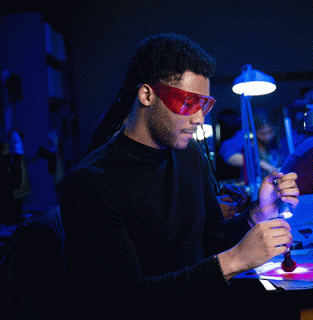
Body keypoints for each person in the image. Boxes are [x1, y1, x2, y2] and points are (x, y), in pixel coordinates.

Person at [59, 33, 299, 318]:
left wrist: (257, 215)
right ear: (147, 95)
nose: (199, 118)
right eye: (187, 102)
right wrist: (235, 260)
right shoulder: (92, 182)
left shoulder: (187, 153)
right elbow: (125, 300)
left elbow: (210, 237)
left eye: (204, 104)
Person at [219, 108, 285, 178]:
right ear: (254, 132)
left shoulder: (282, 138)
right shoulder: (245, 137)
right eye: (263, 133)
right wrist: (261, 163)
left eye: (271, 131)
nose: (268, 137)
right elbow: (228, 155)